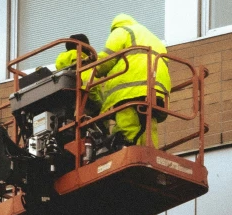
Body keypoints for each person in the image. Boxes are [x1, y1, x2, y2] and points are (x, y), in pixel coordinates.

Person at [95, 14, 171, 148]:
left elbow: (107, 59)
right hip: (156, 88)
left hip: (130, 87)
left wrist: (94, 69)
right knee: (148, 123)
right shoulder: (152, 38)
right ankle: (150, 152)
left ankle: (125, 147)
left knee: (127, 121)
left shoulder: (122, 31)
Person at [55, 33, 101, 111]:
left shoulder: (61, 72)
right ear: (85, 48)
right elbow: (92, 87)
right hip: (87, 108)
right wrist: (101, 106)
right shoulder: (83, 67)